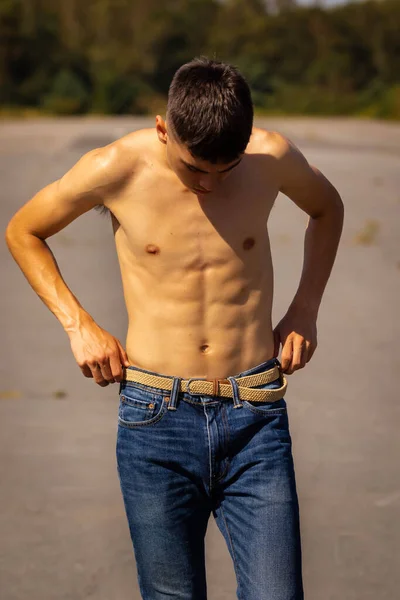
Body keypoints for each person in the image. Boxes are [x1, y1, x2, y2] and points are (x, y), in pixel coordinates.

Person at [5, 56, 344, 599]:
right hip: (156, 417)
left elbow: (328, 208)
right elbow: (24, 230)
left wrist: (306, 309)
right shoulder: (115, 167)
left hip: (254, 414)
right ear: (164, 129)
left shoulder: (272, 157)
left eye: (224, 169)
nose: (209, 184)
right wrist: (79, 325)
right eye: (193, 169)